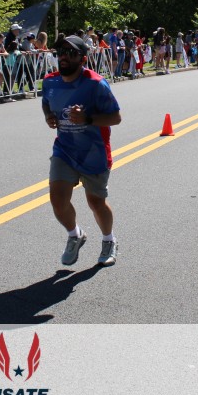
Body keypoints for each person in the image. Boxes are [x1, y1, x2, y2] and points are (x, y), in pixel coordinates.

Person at [42, 35, 122, 267]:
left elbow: (116, 117)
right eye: (61, 53)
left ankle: (109, 240)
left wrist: (87, 119)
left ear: (83, 59)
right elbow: (46, 102)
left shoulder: (96, 84)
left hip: (93, 152)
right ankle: (75, 235)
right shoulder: (50, 82)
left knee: (96, 203)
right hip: (65, 150)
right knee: (58, 200)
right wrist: (48, 116)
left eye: (71, 53)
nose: (64, 57)